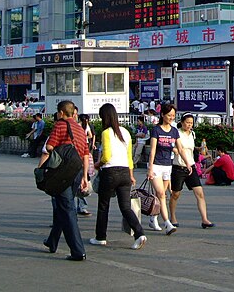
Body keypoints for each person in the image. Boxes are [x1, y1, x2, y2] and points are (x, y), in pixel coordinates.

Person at [89, 103, 147, 250]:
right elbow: (129, 158)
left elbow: (107, 156)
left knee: (103, 206)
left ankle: (100, 237)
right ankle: (139, 233)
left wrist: (97, 164)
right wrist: (131, 175)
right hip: (125, 173)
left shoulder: (106, 133)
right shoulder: (125, 132)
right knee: (126, 207)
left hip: (110, 173)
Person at [40, 100, 90, 261]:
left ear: (61, 113)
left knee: (67, 209)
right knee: (63, 206)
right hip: (77, 172)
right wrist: (84, 177)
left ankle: (78, 250)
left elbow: (50, 147)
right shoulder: (80, 128)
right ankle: (52, 241)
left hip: (62, 173)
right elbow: (85, 153)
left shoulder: (60, 125)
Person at [147, 103, 192, 234]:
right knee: (161, 193)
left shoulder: (174, 131)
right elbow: (153, 150)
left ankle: (153, 217)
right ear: (162, 115)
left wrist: (187, 163)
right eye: (169, 115)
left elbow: (181, 148)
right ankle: (167, 223)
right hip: (156, 165)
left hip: (168, 166)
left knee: (162, 195)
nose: (171, 117)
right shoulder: (156, 130)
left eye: (173, 115)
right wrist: (150, 168)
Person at [169, 113, 214, 228]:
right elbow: (169, 145)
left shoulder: (192, 134)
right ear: (182, 122)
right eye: (187, 122)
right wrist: (175, 150)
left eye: (191, 123)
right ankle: (172, 218)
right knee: (175, 194)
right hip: (178, 167)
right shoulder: (176, 133)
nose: (189, 125)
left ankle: (205, 219)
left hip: (191, 167)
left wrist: (200, 149)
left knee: (200, 193)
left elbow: (191, 148)